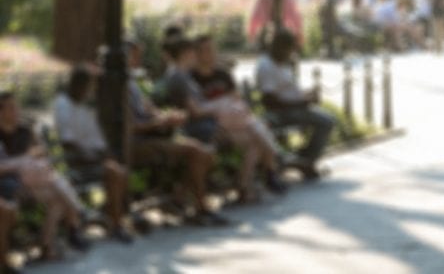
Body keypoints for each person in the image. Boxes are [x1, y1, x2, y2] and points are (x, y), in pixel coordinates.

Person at [162, 37, 286, 202]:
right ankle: (259, 177)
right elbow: (196, 111)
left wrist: (224, 106)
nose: (203, 55)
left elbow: (234, 99)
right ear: (188, 54)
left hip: (223, 121)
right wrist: (220, 105)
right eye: (197, 52)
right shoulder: (181, 77)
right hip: (207, 127)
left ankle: (252, 181)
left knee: (255, 131)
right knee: (255, 137)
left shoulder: (190, 75)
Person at [124, 42, 228, 227]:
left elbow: (150, 110)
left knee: (206, 153)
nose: (139, 60)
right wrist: (161, 122)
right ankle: (200, 208)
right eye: (135, 56)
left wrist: (167, 116)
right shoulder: (119, 87)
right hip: (137, 142)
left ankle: (179, 198)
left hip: (154, 136)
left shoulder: (132, 82)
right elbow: (132, 126)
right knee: (198, 152)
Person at [0, 92, 90, 259]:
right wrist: (22, 160)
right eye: (11, 107)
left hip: (38, 178)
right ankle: (74, 218)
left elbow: (42, 151)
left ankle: (48, 244)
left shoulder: (25, 129)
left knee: (56, 193)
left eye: (17, 106)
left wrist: (32, 154)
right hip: (17, 183)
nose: (17, 110)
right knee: (59, 194)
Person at [53, 66, 132, 241]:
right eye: (89, 86)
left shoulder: (85, 107)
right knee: (115, 172)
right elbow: (68, 142)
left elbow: (98, 140)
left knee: (120, 170)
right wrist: (93, 155)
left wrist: (106, 154)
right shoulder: (63, 104)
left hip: (94, 158)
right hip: (78, 161)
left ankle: (111, 217)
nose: (91, 90)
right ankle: (116, 224)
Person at [256, 29, 337, 179]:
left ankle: (304, 159)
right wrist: (301, 102)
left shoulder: (282, 63)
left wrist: (307, 95)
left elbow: (289, 90)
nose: (291, 53)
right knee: (326, 121)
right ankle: (306, 160)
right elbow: (270, 101)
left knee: (327, 119)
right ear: (281, 47)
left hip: (296, 106)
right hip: (284, 112)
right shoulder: (267, 66)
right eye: (289, 49)